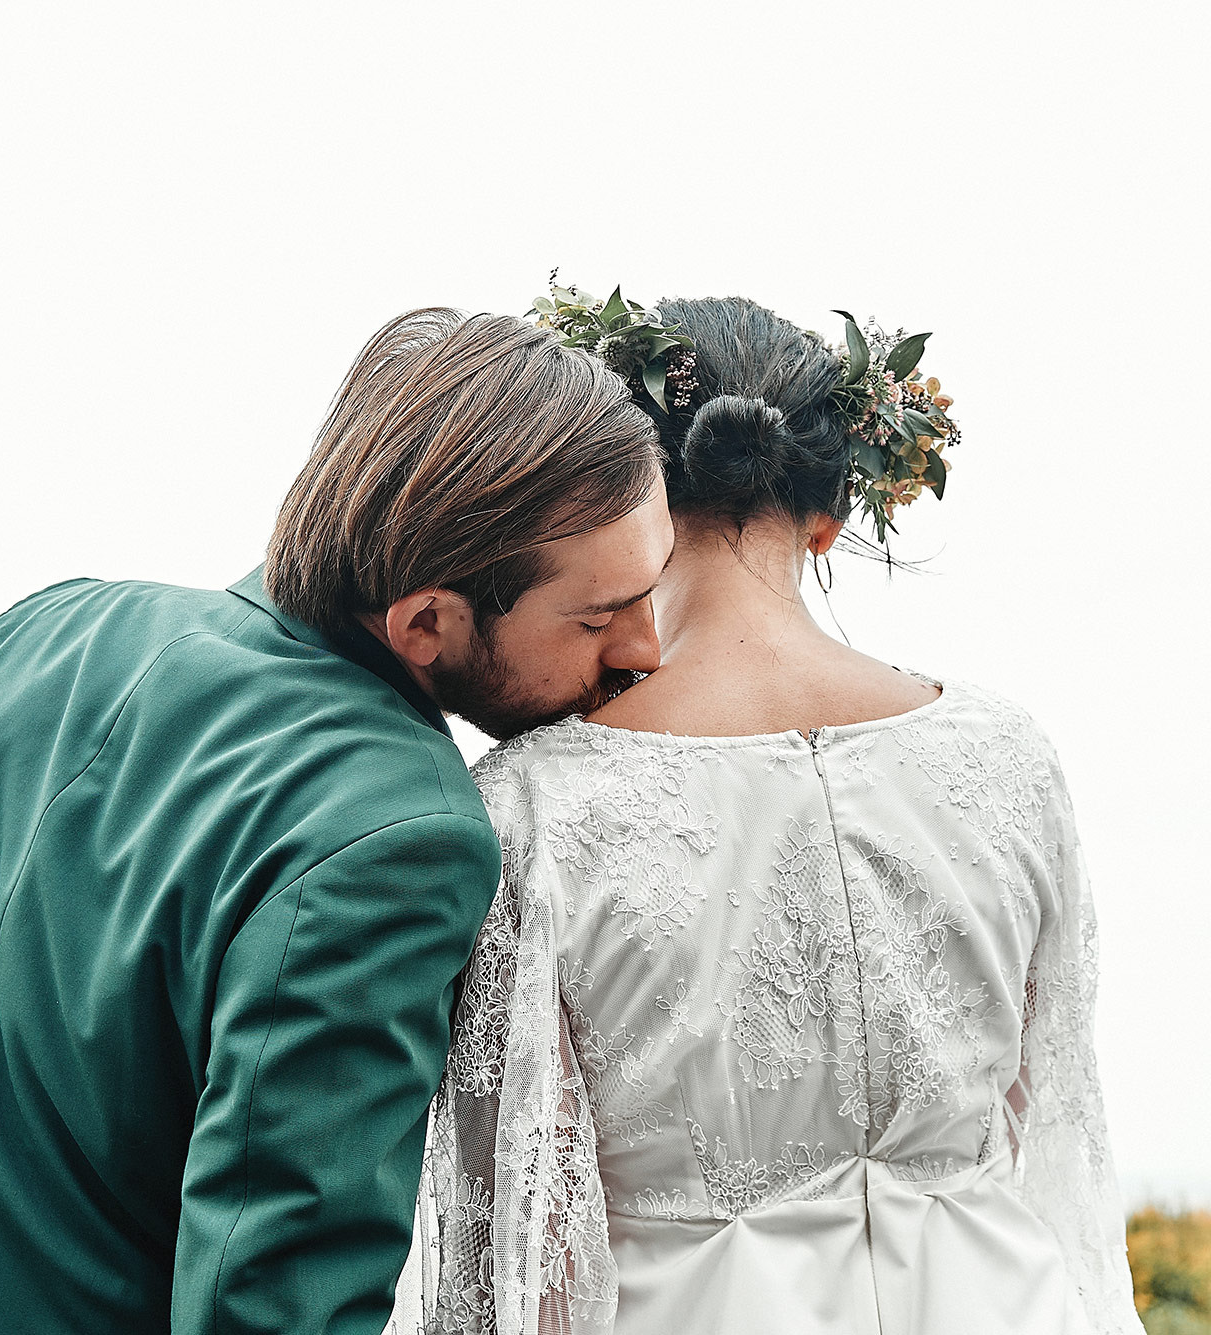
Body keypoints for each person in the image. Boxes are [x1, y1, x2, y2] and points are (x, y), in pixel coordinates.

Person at [0, 307, 673, 1335]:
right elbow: (266, 1298)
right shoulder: (401, 832)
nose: (643, 650)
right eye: (596, 617)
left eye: (650, 590)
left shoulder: (32, 633)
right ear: (427, 622)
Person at [392, 293, 1139, 1335]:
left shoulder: (532, 807)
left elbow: (522, 1235)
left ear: (620, 501)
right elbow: (1034, 1118)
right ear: (829, 522)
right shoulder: (1006, 758)